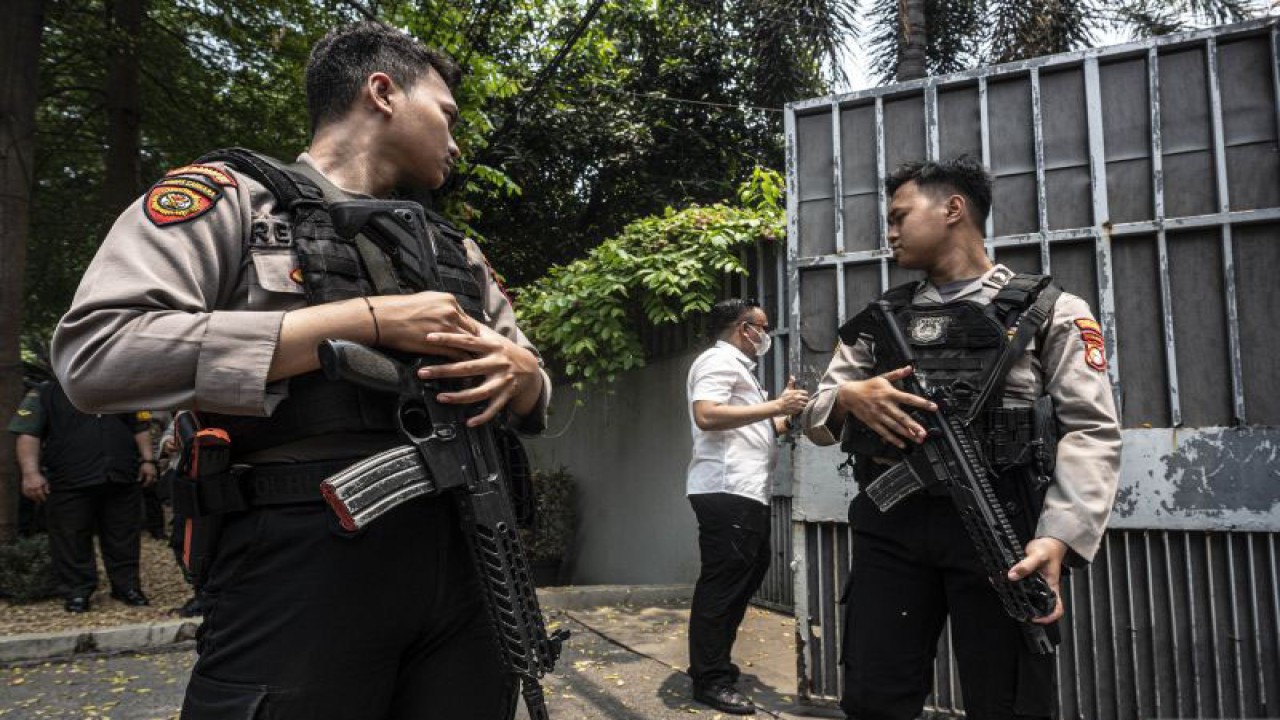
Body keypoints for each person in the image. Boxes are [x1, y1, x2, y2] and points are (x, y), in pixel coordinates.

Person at [51, 22, 550, 720]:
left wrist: (521, 370)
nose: (457, 142)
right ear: (382, 92)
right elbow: (98, 353)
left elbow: (531, 379)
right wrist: (359, 321)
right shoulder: (231, 198)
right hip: (298, 563)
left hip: (471, 558)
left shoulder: (452, 248)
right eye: (447, 116)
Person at [799, 156, 1121, 720]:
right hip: (892, 523)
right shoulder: (881, 320)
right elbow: (817, 417)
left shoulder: (1050, 311)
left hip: (1002, 517)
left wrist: (1059, 537)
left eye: (900, 215)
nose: (890, 230)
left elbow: (1091, 429)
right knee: (874, 695)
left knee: (1008, 700)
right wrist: (848, 398)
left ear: (953, 209)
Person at [685, 298, 808, 715]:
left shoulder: (738, 369)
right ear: (744, 327)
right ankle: (709, 680)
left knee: (743, 576)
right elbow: (707, 414)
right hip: (726, 491)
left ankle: (714, 663)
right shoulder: (717, 363)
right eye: (763, 327)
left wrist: (785, 415)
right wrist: (777, 405)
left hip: (744, 492)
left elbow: (754, 424)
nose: (766, 335)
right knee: (722, 584)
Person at [7, 380, 157, 612]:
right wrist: (30, 473)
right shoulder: (46, 392)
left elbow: (140, 426)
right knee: (70, 537)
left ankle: (127, 587)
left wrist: (148, 460)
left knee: (124, 535)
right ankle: (77, 591)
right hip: (69, 478)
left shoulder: (121, 388)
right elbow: (28, 433)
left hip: (120, 475)